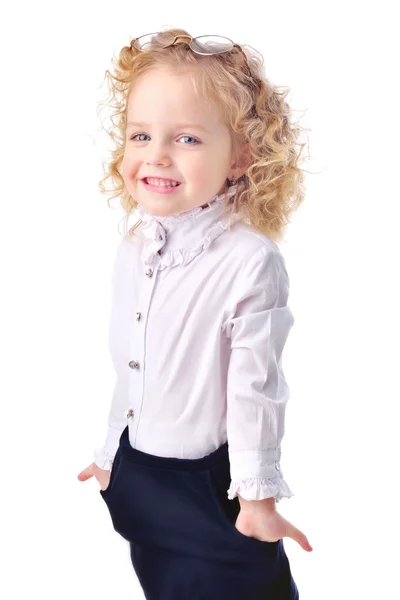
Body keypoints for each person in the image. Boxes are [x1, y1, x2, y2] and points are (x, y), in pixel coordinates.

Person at [77, 27, 312, 600]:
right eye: (140, 135)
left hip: (208, 487)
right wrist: (112, 453)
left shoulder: (249, 261)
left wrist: (257, 498)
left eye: (185, 138)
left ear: (241, 157)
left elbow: (256, 387)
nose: (155, 155)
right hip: (141, 484)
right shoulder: (135, 246)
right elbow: (130, 361)